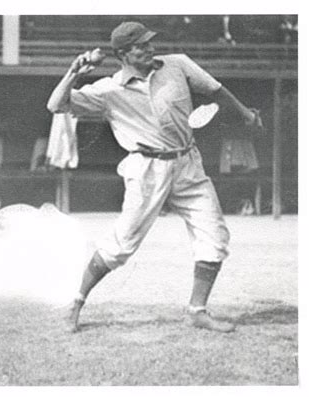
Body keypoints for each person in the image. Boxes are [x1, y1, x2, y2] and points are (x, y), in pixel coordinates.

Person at [47, 21, 263, 333]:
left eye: (150, 42)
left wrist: (244, 114)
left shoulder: (178, 64)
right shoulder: (109, 90)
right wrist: (74, 72)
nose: (150, 48)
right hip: (146, 170)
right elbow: (55, 105)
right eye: (141, 45)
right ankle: (76, 303)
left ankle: (196, 311)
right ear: (123, 54)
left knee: (214, 238)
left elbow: (216, 90)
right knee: (120, 246)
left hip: (188, 163)